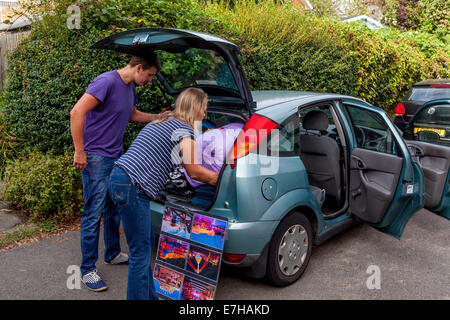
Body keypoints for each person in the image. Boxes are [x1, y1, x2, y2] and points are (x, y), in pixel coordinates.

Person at [108, 87, 218, 300]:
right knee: (141, 253)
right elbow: (193, 170)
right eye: (204, 109)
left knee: (146, 243)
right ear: (195, 108)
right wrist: (217, 177)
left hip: (119, 178)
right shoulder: (184, 131)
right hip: (133, 187)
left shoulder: (162, 121)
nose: (205, 114)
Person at [70, 53, 161, 292]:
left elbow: (131, 114)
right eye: (149, 75)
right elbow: (76, 112)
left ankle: (111, 253)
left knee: (114, 207)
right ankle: (87, 270)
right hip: (96, 157)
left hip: (117, 155)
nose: (149, 81)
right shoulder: (106, 81)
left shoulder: (130, 87)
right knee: (93, 212)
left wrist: (158, 118)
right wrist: (80, 151)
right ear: (139, 67)